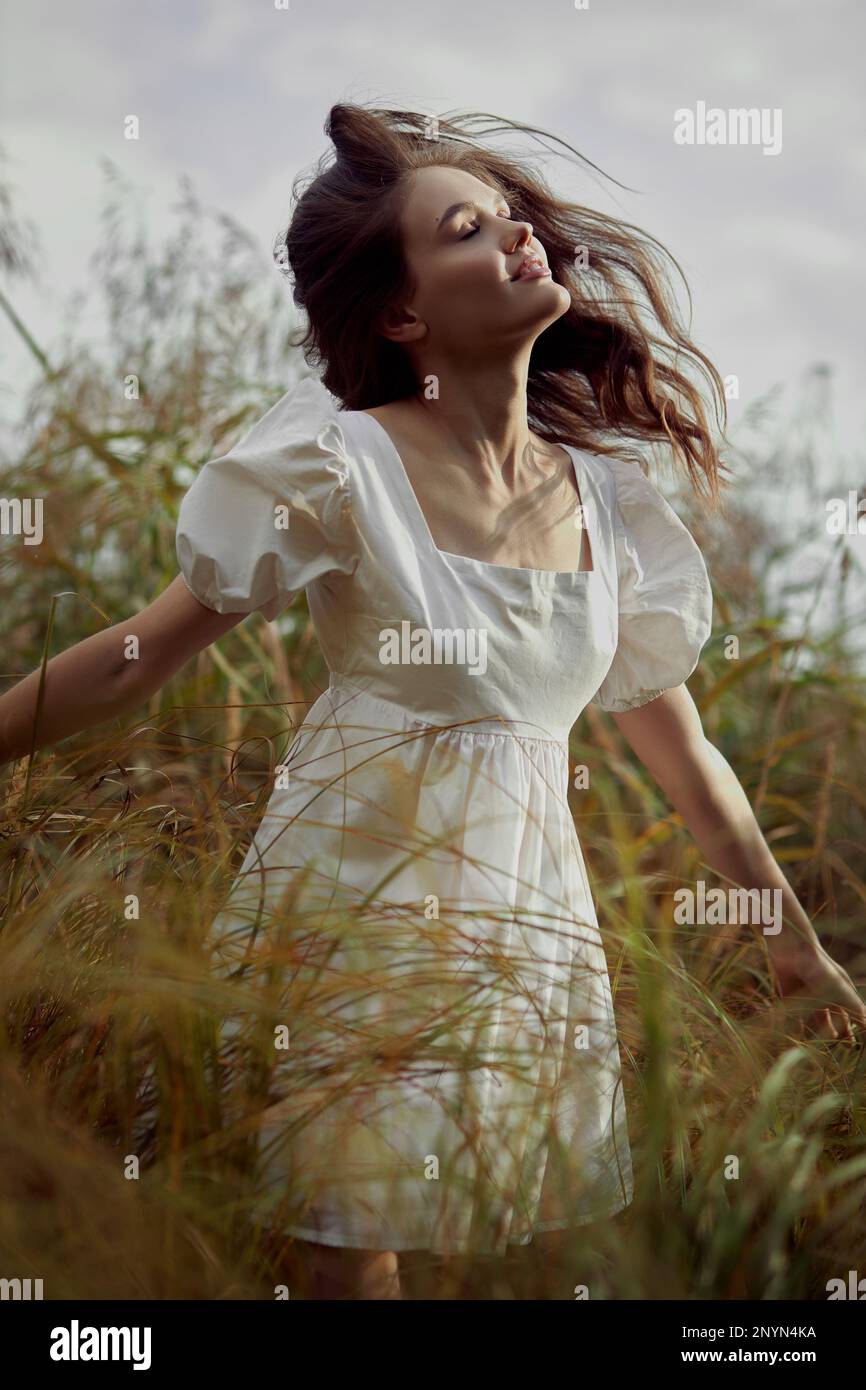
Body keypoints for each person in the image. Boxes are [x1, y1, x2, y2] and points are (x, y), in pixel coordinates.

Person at [2, 104, 863, 1302]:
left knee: (509, 1242)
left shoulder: (606, 505)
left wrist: (792, 942)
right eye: (469, 228)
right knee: (348, 1243)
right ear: (402, 312)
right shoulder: (339, 461)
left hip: (527, 918)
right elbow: (141, 655)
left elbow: (681, 748)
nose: (519, 239)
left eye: (514, 219)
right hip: (352, 906)